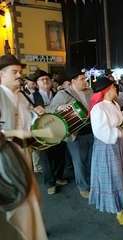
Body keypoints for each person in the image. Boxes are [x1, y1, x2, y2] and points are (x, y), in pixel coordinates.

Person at [0, 54, 48, 239]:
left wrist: (37, 116)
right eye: (14, 72)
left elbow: (28, 123)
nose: (19, 75)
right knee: (18, 202)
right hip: (5, 159)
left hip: (24, 153)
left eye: (20, 71)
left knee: (31, 198)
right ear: (1, 75)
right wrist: (12, 134)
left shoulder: (22, 96)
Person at [88, 75, 123, 225]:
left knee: (121, 172)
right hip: (107, 145)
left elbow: (115, 118)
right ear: (108, 90)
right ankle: (117, 210)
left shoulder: (114, 104)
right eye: (114, 87)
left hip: (118, 143)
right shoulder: (98, 107)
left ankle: (121, 200)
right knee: (112, 175)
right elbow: (101, 131)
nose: (116, 88)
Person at [49, 68, 93, 198]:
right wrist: (58, 108)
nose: (85, 81)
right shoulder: (63, 94)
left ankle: (92, 183)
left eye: (85, 78)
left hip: (91, 131)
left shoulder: (89, 91)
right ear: (73, 81)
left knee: (91, 160)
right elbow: (50, 110)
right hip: (75, 134)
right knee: (79, 162)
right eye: (82, 79)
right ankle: (83, 187)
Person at [30, 69, 68, 195]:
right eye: (42, 79)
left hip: (58, 129)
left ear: (51, 81)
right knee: (45, 158)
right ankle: (50, 183)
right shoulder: (32, 97)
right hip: (42, 131)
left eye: (47, 78)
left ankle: (58, 177)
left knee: (60, 155)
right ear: (36, 83)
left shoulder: (58, 94)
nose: (45, 81)